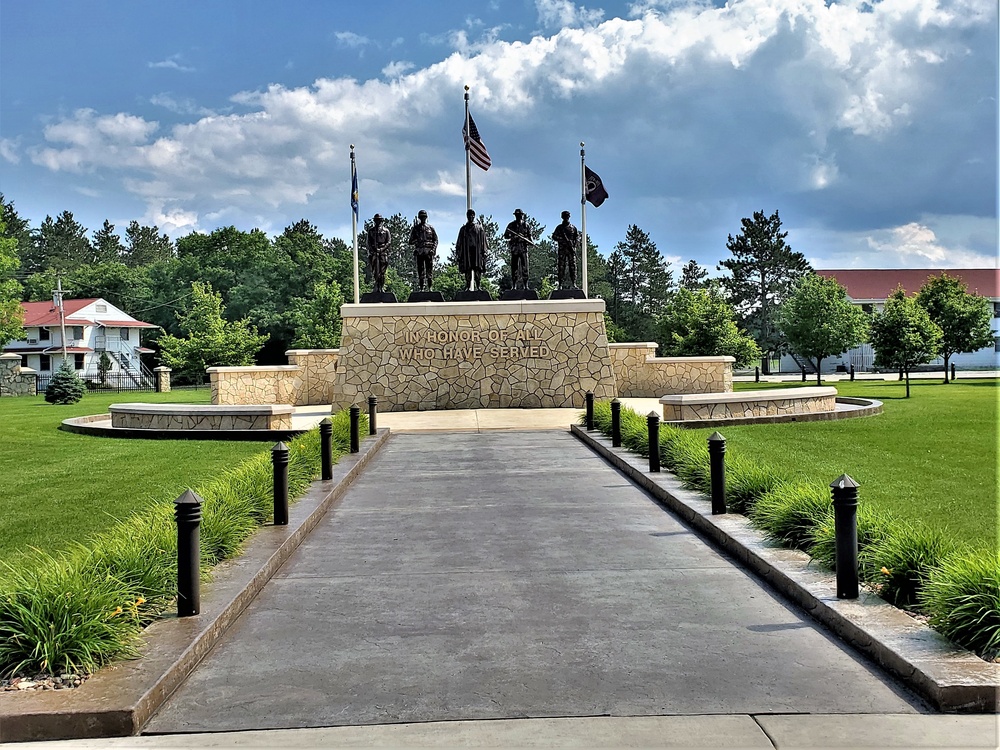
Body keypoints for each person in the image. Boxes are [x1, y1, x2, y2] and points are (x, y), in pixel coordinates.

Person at [454, 208, 488, 291]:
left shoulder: (479, 228)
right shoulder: (463, 229)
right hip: (467, 252)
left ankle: (478, 286)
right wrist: (458, 253)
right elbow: (459, 242)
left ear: (474, 216)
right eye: (469, 215)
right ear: (467, 216)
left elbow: (484, 241)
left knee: (477, 269)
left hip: (477, 252)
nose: (471, 217)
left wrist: (485, 251)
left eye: (472, 215)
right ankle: (468, 286)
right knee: (468, 269)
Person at [408, 210, 438, 291]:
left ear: (426, 218)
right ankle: (421, 288)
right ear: (419, 218)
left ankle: (430, 288)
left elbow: (435, 240)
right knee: (420, 272)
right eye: (421, 217)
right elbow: (410, 241)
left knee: (429, 271)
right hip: (420, 252)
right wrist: (417, 241)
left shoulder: (431, 228)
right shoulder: (416, 229)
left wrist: (433, 249)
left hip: (428, 252)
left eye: (424, 217)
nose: (423, 218)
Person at [503, 208, 532, 290]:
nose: (519, 217)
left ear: (522, 216)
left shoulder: (526, 225)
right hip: (515, 249)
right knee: (514, 267)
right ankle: (514, 285)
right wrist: (513, 237)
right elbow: (505, 236)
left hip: (523, 249)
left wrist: (527, 240)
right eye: (517, 215)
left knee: (525, 267)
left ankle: (526, 285)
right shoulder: (511, 225)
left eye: (520, 215)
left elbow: (530, 237)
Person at [552, 210, 580, 289]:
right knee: (561, 266)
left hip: (571, 250)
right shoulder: (559, 227)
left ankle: (574, 283)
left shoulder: (573, 228)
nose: (566, 218)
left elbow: (577, 238)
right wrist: (562, 240)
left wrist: (574, 246)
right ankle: (560, 284)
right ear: (562, 217)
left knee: (573, 267)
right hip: (562, 249)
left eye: (567, 216)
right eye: (565, 216)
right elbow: (554, 236)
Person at [366, 214, 391, 293]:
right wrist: (373, 251)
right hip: (374, 253)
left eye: (379, 220)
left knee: (382, 272)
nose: (378, 222)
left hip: (383, 253)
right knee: (375, 271)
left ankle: (381, 287)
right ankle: (376, 286)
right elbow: (368, 243)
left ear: (382, 221)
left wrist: (381, 249)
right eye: (376, 220)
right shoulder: (371, 231)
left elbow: (388, 242)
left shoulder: (386, 231)